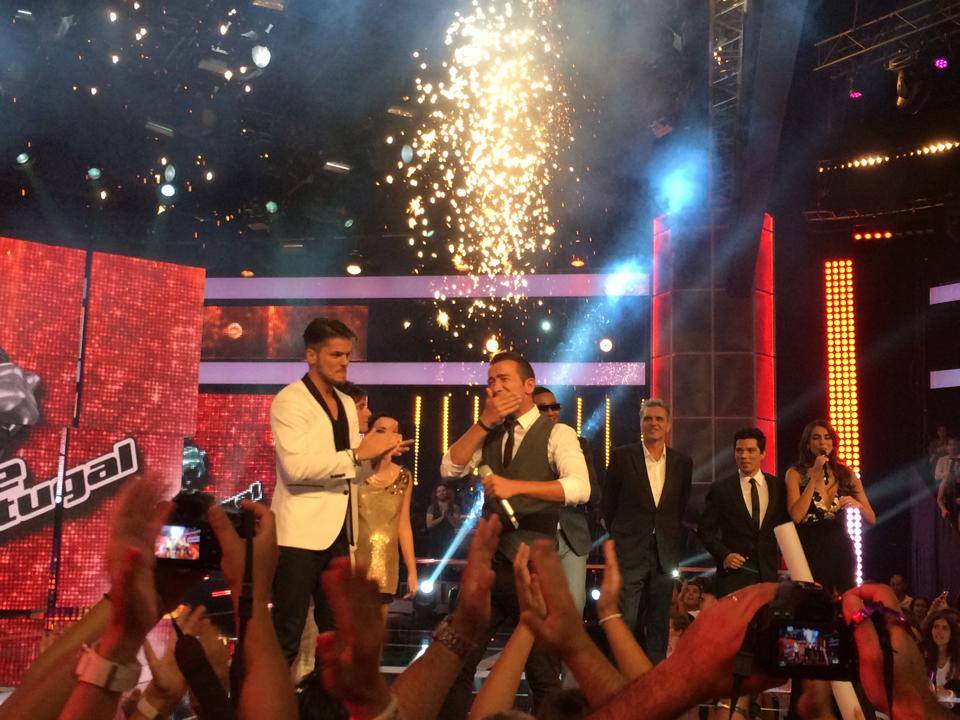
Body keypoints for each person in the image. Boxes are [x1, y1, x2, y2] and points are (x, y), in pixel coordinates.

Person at [438, 351, 590, 718]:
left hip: (534, 569)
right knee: (459, 664)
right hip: (491, 567)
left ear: (528, 385)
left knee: (543, 675)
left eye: (504, 379)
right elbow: (449, 468)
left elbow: (580, 487)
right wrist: (484, 422)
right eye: (490, 381)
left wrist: (516, 486)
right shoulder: (489, 432)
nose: (495, 387)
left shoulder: (558, 433)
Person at [269, 318, 410, 665]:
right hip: (298, 536)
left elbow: (350, 473)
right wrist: (358, 455)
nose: (344, 362)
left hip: (339, 535)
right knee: (287, 635)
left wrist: (376, 457)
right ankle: (270, 696)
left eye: (347, 355)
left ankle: (326, 698)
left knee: (336, 636)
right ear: (311, 355)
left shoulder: (347, 403)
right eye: (336, 355)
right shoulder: (290, 401)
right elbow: (296, 468)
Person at [601, 398, 693, 664]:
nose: (653, 423)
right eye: (648, 418)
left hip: (664, 553)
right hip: (630, 551)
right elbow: (608, 504)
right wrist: (623, 536)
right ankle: (620, 679)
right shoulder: (622, 456)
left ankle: (654, 680)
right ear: (640, 423)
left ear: (668, 425)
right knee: (625, 620)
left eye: (659, 419)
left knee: (659, 623)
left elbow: (680, 507)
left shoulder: (682, 462)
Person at [785, 419, 876, 596]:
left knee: (848, 598)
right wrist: (814, 477)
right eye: (816, 438)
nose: (822, 442)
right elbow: (796, 516)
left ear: (833, 444)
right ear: (807, 444)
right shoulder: (795, 474)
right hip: (809, 550)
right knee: (814, 601)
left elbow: (871, 518)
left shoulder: (845, 474)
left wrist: (858, 505)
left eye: (827, 438)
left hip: (840, 547)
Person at [532, 385, 601, 618]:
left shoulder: (578, 444)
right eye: (544, 408)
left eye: (555, 406)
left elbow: (593, 492)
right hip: (537, 536)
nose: (551, 412)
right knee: (539, 609)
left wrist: (569, 491)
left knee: (574, 607)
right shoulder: (523, 447)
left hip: (573, 536)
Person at [698, 427, 786, 598]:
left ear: (763, 453)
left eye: (751, 450)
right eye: (739, 450)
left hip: (768, 574)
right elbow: (705, 530)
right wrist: (724, 555)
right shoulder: (721, 489)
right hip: (733, 576)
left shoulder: (778, 487)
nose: (744, 456)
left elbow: (786, 526)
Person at [355, 413, 419, 612]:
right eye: (379, 431)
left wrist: (412, 571)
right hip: (356, 561)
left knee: (378, 627)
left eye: (391, 431)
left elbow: (403, 525)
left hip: (385, 562)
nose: (385, 437)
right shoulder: (356, 472)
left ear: (399, 437)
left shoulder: (404, 477)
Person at [920, 610, 960, 712]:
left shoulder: (957, 658)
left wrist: (950, 695)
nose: (939, 632)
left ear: (952, 633)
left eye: (944, 628)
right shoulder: (922, 654)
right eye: (936, 627)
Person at [425, 483, 463, 558]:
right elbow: (429, 525)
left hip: (449, 543)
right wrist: (442, 517)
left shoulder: (455, 507)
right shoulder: (432, 507)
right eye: (439, 491)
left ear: (447, 492)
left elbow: (457, 525)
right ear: (436, 494)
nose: (441, 493)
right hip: (435, 544)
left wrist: (447, 515)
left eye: (443, 490)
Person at [936, 437, 960, 526]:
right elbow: (939, 499)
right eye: (950, 445)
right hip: (950, 503)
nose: (952, 447)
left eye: (955, 445)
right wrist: (943, 509)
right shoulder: (945, 480)